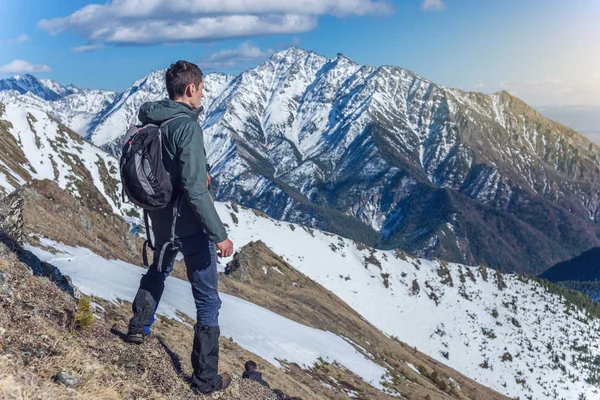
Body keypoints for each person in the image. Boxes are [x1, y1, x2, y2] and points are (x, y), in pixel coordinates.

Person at [125, 60, 234, 395]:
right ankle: (204, 379)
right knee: (206, 298)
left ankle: (137, 327)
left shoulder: (152, 119)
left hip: (160, 219)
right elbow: (194, 188)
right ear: (190, 89)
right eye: (201, 89)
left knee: (158, 270)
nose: (202, 95)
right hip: (189, 225)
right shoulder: (186, 127)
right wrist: (220, 234)